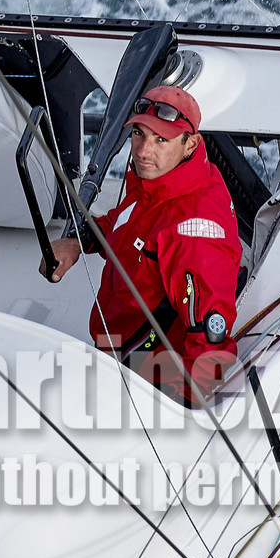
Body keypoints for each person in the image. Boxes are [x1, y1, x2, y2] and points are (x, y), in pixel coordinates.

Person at [46, 84, 240, 400]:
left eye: (161, 139)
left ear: (190, 144)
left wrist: (175, 416)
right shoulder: (161, 179)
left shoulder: (194, 235)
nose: (142, 151)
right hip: (115, 349)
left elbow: (210, 350)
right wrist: (79, 241)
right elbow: (128, 221)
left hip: (144, 380)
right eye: (139, 134)